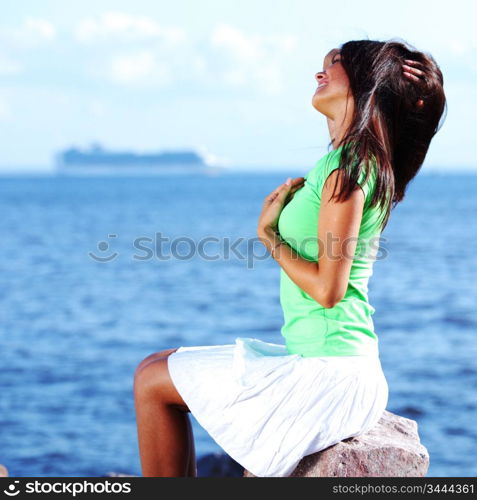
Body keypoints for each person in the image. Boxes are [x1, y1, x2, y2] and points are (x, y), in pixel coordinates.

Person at [133, 39, 447, 477]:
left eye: (334, 65)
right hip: (322, 359)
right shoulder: (348, 162)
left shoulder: (350, 168)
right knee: (155, 365)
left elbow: (328, 291)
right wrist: (427, 82)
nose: (320, 74)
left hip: (332, 373)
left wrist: (268, 236)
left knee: (151, 383)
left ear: (367, 82)